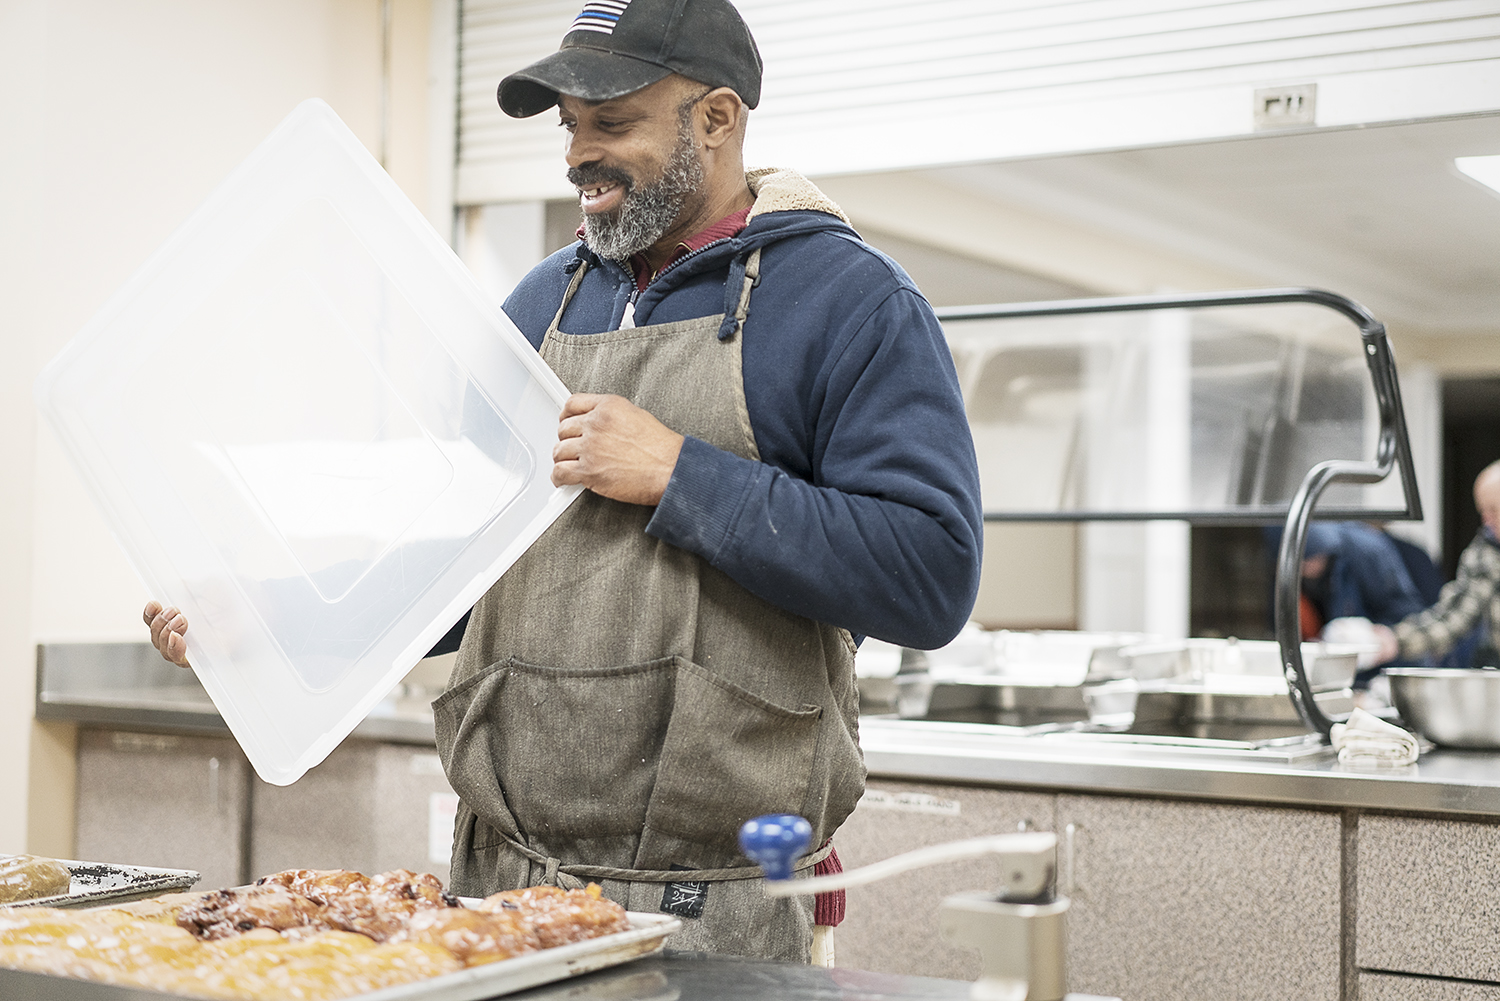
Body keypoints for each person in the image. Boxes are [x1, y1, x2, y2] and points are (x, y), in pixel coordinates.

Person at [143, 0, 983, 964]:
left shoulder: (851, 302)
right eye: (568, 127)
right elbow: (470, 567)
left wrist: (678, 472)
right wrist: (273, 618)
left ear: (716, 120)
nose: (579, 154)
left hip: (714, 909)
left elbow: (930, 573)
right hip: (496, 885)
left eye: (612, 122)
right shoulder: (540, 305)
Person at [1373, 461, 1500, 667]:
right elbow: (1455, 615)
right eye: (1482, 511)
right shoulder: (1484, 553)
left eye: (1494, 510)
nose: (1486, 520)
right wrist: (1396, 640)